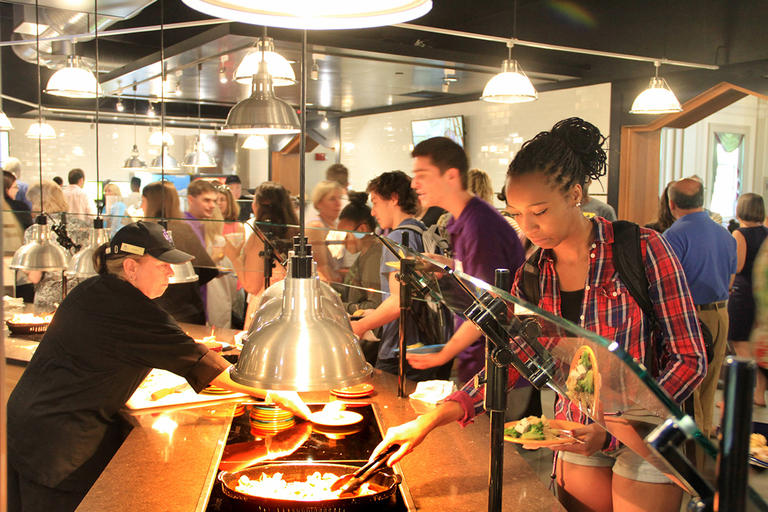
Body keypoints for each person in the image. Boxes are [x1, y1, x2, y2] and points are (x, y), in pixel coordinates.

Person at [372, 118, 707, 512]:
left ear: (576, 194)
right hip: (572, 430)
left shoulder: (642, 249)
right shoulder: (531, 275)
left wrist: (619, 425)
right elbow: (513, 361)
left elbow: (690, 359)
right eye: (517, 214)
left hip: (646, 435)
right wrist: (432, 419)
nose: (529, 228)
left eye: (540, 211)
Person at [6, 221, 310, 512]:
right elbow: (207, 367)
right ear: (130, 267)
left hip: (29, 423)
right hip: (60, 442)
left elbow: (168, 349)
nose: (169, 271)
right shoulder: (130, 308)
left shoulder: (95, 290)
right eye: (161, 264)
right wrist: (277, 392)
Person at [403, 137, 525, 384]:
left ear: (451, 176)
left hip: (499, 366)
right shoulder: (464, 218)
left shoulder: (479, 225)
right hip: (480, 355)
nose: (414, 184)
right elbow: (478, 277)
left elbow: (491, 303)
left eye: (422, 175)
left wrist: (443, 355)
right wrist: (443, 263)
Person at [350, 172, 452, 381]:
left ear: (394, 198)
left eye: (376, 202)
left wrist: (359, 327)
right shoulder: (423, 232)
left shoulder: (397, 239)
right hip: (427, 346)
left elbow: (398, 302)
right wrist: (376, 313)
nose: (374, 212)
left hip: (400, 349)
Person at [663, 177, 736, 439]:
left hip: (690, 315)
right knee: (710, 379)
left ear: (672, 204)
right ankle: (705, 437)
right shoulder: (725, 234)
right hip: (721, 313)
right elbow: (731, 278)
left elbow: (667, 284)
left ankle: (693, 446)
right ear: (702, 199)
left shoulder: (673, 235)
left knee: (689, 382)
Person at [224, 182, 299, 330]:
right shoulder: (296, 231)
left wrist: (234, 257)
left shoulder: (259, 237)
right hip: (293, 306)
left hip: (267, 308)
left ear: (257, 205)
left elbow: (252, 285)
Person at [141, 181, 217, 325]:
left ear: (152, 203)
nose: (141, 206)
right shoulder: (184, 229)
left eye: (143, 201)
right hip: (189, 310)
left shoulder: (145, 232)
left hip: (159, 311)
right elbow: (209, 270)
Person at [24, 181, 90, 311]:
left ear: (38, 204)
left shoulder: (35, 232)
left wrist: (25, 270)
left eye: (31, 203)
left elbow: (34, 276)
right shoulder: (83, 226)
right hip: (80, 297)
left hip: (48, 303)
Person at [728, 193, 768, 406]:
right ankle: (759, 393)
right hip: (760, 292)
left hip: (743, 292)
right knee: (757, 346)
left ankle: (741, 394)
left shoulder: (739, 233)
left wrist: (727, 286)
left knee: (740, 343)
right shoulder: (766, 233)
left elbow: (738, 266)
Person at [338, 191, 382, 314]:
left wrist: (341, 306)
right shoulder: (365, 254)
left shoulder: (374, 257)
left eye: (345, 234)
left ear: (362, 229)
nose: (343, 241)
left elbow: (375, 305)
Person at [307, 180, 344, 283]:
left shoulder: (337, 225)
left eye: (339, 198)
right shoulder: (316, 227)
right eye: (332, 199)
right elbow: (321, 267)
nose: (338, 203)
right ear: (319, 203)